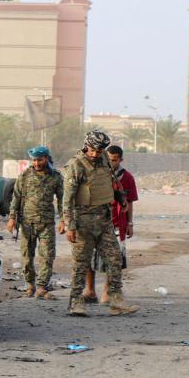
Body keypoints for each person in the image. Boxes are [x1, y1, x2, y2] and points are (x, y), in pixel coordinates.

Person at [63, 131, 140, 316]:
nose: (96, 154)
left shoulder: (105, 160)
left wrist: (121, 198)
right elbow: (68, 198)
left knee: (115, 259)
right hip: (83, 221)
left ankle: (116, 300)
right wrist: (69, 225)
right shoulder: (76, 165)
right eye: (93, 150)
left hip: (105, 220)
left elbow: (111, 181)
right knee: (81, 263)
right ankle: (76, 302)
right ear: (86, 146)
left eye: (99, 151)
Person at [7, 146, 65, 299]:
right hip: (27, 223)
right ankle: (30, 285)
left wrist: (64, 220)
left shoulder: (56, 177)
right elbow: (16, 198)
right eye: (34, 160)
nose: (37, 163)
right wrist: (12, 218)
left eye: (39, 160)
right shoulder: (24, 176)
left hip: (46, 223)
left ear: (46, 158)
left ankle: (41, 287)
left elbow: (62, 201)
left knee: (47, 256)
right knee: (27, 258)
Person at [83, 145, 139, 303]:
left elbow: (129, 202)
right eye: (108, 159)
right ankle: (90, 290)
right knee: (89, 256)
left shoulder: (127, 178)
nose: (111, 163)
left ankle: (107, 292)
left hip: (116, 224)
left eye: (114, 160)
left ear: (120, 159)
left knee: (114, 260)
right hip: (95, 222)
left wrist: (130, 223)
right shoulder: (96, 174)